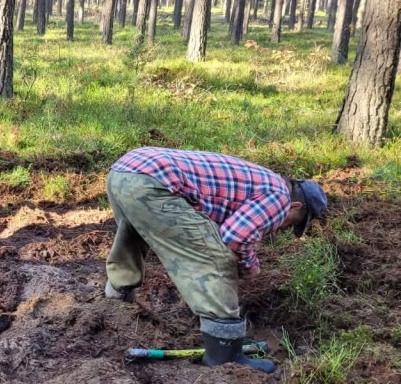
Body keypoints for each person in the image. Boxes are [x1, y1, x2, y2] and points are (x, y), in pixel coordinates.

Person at [102, 147, 327, 374]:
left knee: (130, 240)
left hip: (124, 172)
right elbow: (235, 237)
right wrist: (249, 267)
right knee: (217, 259)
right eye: (291, 223)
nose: (283, 226)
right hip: (153, 182)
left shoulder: (263, 180)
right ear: (295, 206)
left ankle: (114, 307)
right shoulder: (280, 198)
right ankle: (226, 357)